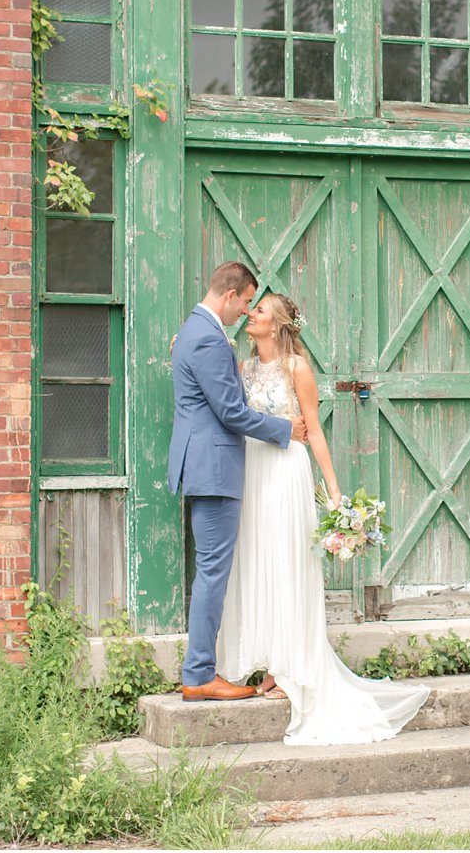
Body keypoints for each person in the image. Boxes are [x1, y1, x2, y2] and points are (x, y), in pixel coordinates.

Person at [217, 292, 430, 744]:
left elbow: (312, 429)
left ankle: (288, 666)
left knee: (286, 562)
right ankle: (266, 659)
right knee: (257, 561)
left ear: (275, 325)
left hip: (286, 470)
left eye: (258, 311)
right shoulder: (244, 367)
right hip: (252, 471)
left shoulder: (298, 368)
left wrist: (333, 492)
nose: (249, 315)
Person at [168, 262, 307, 702]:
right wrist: (285, 430)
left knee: (212, 570)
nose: (246, 311)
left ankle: (202, 670)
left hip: (209, 466)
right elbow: (230, 412)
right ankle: (199, 676)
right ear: (230, 295)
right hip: (214, 468)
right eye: (247, 301)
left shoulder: (195, 332)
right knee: (212, 572)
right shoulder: (208, 338)